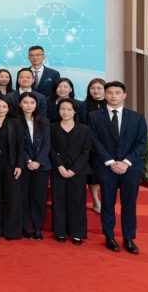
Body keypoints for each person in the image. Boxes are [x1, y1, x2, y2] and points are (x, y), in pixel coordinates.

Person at [88, 81, 148, 254]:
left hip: (131, 168)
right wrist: (110, 161)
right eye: (110, 93)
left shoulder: (137, 117)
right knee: (108, 203)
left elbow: (141, 142)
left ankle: (129, 238)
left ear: (124, 95)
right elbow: (94, 140)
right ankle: (109, 237)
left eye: (117, 92)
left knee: (129, 204)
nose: (113, 96)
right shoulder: (94, 116)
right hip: (106, 167)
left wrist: (125, 162)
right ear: (105, 95)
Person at [49, 99, 92, 245]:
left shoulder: (84, 129)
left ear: (75, 111)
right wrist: (59, 166)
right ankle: (60, 232)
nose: (65, 112)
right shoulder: (52, 127)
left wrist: (74, 169)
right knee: (59, 200)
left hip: (78, 171)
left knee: (77, 201)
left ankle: (77, 233)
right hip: (58, 170)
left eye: (69, 109)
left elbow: (86, 152)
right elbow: (51, 149)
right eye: (62, 109)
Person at [0, 97, 24, 240]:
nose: (1, 109)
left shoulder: (15, 123)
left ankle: (11, 230)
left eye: (4, 106)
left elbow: (20, 145)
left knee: (12, 197)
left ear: (9, 108)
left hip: (11, 164)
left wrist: (19, 165)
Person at [17, 91, 51, 240]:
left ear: (36, 105)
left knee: (39, 198)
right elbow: (17, 145)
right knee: (23, 197)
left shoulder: (44, 121)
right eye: (25, 102)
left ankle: (37, 228)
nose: (28, 105)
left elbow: (47, 143)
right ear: (20, 104)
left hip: (41, 166)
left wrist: (38, 161)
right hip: (23, 166)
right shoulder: (15, 121)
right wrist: (28, 161)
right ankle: (25, 227)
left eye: (32, 103)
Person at [83, 77, 106, 213]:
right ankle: (96, 201)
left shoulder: (110, 105)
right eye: (92, 88)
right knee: (93, 176)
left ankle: (106, 200)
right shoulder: (83, 105)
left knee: (106, 176)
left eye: (99, 88)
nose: (95, 91)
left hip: (108, 147)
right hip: (90, 146)